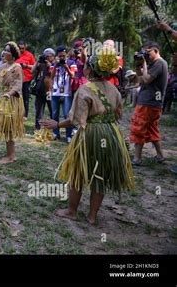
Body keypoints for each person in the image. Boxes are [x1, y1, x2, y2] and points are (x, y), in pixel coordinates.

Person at [41, 48, 134, 225]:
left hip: (90, 133)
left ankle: (72, 211)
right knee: (100, 175)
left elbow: (76, 119)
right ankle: (92, 216)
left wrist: (57, 124)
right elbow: (119, 114)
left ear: (90, 69)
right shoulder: (114, 89)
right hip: (111, 133)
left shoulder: (85, 89)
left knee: (78, 173)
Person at [130, 41, 168, 166]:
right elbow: (141, 80)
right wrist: (138, 66)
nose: (145, 55)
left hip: (148, 102)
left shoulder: (159, 63)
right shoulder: (154, 64)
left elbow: (146, 79)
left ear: (155, 50)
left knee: (139, 128)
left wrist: (144, 64)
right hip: (152, 103)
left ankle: (137, 158)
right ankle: (160, 156)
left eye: (147, 52)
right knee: (152, 129)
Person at [50, 46, 75, 143]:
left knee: (67, 115)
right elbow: (51, 77)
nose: (62, 58)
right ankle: (56, 133)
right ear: (57, 56)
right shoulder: (54, 64)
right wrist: (56, 66)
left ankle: (69, 135)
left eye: (63, 56)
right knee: (54, 114)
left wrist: (66, 67)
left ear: (66, 55)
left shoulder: (71, 63)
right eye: (60, 56)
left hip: (67, 93)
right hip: (55, 92)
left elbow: (73, 75)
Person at [31, 48, 54, 130]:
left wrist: (50, 65)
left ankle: (54, 129)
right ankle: (37, 128)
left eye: (48, 56)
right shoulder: (41, 64)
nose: (46, 58)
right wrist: (37, 61)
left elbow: (55, 75)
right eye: (45, 56)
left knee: (52, 109)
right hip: (40, 91)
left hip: (49, 91)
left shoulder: (55, 64)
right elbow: (32, 72)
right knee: (39, 110)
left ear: (52, 56)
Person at [15, 41, 36, 118]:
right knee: (16, 97)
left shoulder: (29, 55)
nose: (21, 50)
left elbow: (34, 66)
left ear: (25, 47)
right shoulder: (15, 55)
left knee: (25, 98)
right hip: (16, 80)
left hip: (26, 80)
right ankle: (17, 113)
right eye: (19, 48)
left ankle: (25, 115)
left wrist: (26, 65)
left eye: (22, 48)